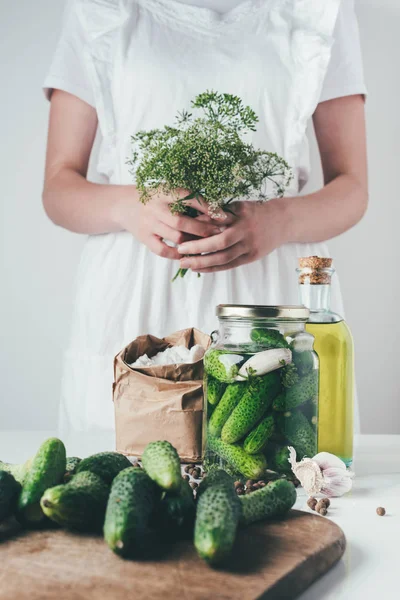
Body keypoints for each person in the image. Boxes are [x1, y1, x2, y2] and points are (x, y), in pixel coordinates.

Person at [43, 0, 368, 435]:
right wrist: (129, 207)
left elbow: (353, 187)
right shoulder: (101, 10)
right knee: (122, 481)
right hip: (135, 299)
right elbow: (59, 189)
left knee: (284, 478)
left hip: (268, 298)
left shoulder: (318, 10)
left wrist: (280, 219)